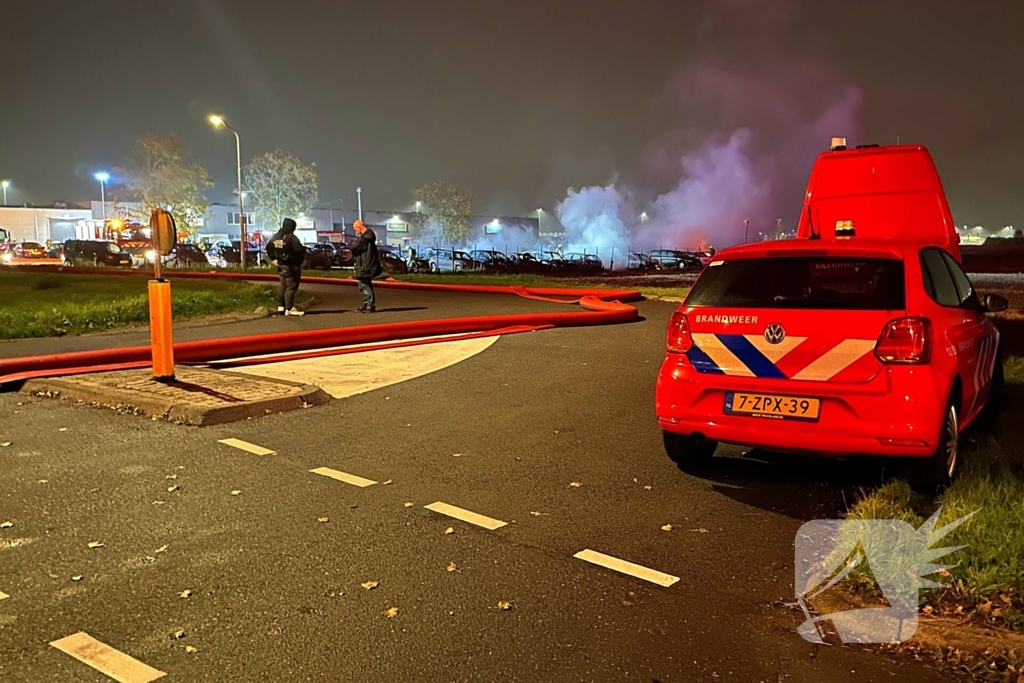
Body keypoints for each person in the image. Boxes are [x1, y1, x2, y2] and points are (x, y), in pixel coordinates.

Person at [266, 217, 306, 316]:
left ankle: (281, 306)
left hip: (281, 265)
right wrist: (304, 248)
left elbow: (268, 247)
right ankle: (290, 308)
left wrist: (273, 258)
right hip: (291, 265)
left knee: (283, 286)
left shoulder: (276, 237)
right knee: (291, 287)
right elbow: (299, 250)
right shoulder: (291, 237)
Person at [350, 219, 382, 312]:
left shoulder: (365, 239)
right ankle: (366, 304)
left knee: (365, 285)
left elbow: (355, 248)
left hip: (365, 264)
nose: (356, 231)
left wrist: (352, 246)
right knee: (362, 285)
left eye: (356, 229)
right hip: (364, 264)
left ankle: (369, 305)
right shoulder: (367, 238)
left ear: (359, 227)